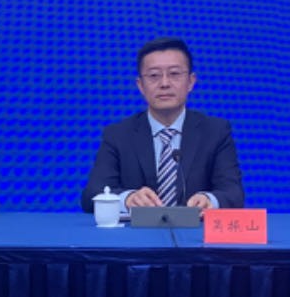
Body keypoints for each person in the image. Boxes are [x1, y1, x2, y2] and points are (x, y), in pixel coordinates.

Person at [81, 37, 245, 212]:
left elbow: (234, 193)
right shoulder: (118, 134)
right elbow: (91, 194)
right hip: (137, 229)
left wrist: (209, 199)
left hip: (195, 228)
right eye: (154, 76)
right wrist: (127, 198)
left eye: (174, 74)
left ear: (191, 82)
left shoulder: (215, 131)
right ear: (140, 86)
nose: (165, 84)